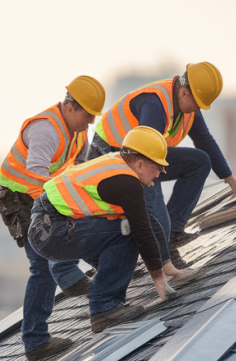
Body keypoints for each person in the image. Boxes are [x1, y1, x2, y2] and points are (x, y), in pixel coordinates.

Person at [29, 127, 194, 334]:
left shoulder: (117, 165)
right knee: (129, 235)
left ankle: (106, 285)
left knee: (125, 231)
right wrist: (159, 280)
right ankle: (105, 307)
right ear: (141, 164)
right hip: (53, 231)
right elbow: (143, 231)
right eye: (158, 166)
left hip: (47, 226)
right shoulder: (126, 182)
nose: (163, 172)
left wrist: (166, 265)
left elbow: (149, 222)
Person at [86, 63, 236, 268]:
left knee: (200, 162)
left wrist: (229, 178)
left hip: (145, 153)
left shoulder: (188, 107)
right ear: (185, 92)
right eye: (197, 103)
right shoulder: (154, 104)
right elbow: (146, 159)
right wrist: (163, 253)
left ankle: (173, 234)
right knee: (152, 200)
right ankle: (164, 256)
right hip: (112, 154)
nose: (198, 109)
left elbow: (205, 140)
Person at [0, 76, 104, 361]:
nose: (91, 122)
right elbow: (35, 175)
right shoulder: (46, 130)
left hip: (44, 192)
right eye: (87, 114)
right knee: (42, 264)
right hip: (20, 197)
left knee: (79, 224)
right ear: (70, 107)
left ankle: (84, 273)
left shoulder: (77, 132)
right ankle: (35, 341)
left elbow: (78, 172)